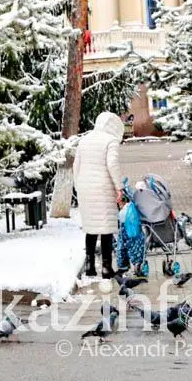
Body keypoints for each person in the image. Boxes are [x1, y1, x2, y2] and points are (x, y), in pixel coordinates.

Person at [73, 112, 124, 279]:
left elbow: (76, 165)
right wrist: (119, 187)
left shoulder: (84, 140)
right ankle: (106, 267)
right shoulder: (110, 141)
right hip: (103, 187)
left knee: (91, 227)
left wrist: (78, 186)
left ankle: (90, 265)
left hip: (85, 187)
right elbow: (112, 164)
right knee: (106, 228)